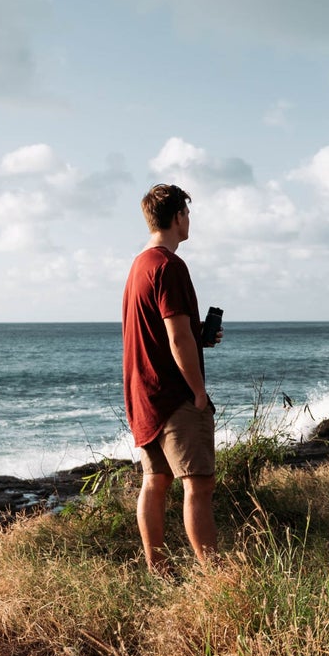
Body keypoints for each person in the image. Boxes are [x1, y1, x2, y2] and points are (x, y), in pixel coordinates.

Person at [122, 183, 217, 574]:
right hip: (175, 395)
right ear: (177, 217)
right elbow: (177, 338)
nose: (190, 220)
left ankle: (157, 568)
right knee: (198, 484)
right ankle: (217, 577)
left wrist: (201, 339)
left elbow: (163, 333)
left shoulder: (138, 266)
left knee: (155, 480)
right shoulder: (169, 266)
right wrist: (198, 392)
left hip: (143, 393)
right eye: (188, 214)